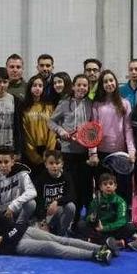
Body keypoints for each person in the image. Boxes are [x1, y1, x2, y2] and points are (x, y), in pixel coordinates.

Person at [0, 188, 114, 265]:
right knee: (51, 246)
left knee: (59, 239)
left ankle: (101, 247)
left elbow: (9, 226)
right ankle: (95, 255)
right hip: (14, 245)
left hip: (20, 231)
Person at [47, 74, 93, 219]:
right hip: (67, 153)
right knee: (70, 187)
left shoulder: (91, 104)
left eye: (85, 85)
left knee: (84, 188)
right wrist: (61, 131)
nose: (81, 88)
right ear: (73, 86)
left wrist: (92, 150)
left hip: (84, 153)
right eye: (78, 85)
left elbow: (93, 128)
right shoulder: (64, 103)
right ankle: (69, 219)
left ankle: (81, 220)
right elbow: (51, 122)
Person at [91, 70, 136, 201]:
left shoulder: (125, 104)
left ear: (116, 82)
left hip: (120, 154)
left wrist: (131, 151)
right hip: (101, 154)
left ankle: (124, 217)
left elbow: (128, 129)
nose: (109, 84)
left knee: (122, 187)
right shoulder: (96, 104)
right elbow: (93, 130)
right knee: (104, 189)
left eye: (111, 80)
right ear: (101, 85)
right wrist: (93, 153)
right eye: (105, 81)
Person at [81, 172, 137, 248]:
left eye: (111, 184)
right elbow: (87, 218)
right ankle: (116, 242)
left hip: (113, 229)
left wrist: (105, 228)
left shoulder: (120, 201)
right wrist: (91, 218)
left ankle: (96, 241)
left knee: (131, 227)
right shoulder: (96, 201)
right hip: (99, 229)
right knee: (81, 224)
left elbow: (121, 221)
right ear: (100, 187)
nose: (108, 186)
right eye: (105, 184)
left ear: (115, 186)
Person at [33, 149, 77, 236]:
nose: (54, 166)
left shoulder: (66, 176)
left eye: (57, 163)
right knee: (40, 236)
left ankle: (61, 233)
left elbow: (72, 195)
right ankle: (49, 229)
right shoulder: (41, 178)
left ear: (62, 164)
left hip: (59, 212)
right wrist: (42, 221)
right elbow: (38, 200)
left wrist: (57, 202)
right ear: (46, 164)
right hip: (45, 214)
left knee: (71, 206)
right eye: (51, 163)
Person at [0, 146, 37, 223]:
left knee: (31, 203)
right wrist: (1, 217)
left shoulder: (21, 171)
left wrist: (13, 206)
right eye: (0, 162)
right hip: (4, 213)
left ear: (12, 161)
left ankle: (19, 225)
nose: (3, 165)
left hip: (18, 209)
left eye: (6, 162)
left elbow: (32, 191)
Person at [22, 74, 57, 171]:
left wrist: (49, 152)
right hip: (30, 153)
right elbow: (25, 133)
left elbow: (52, 130)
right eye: (34, 85)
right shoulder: (24, 108)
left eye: (40, 86)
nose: (37, 88)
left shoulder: (49, 107)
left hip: (47, 150)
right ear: (30, 87)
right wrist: (34, 156)